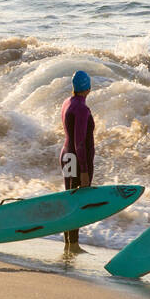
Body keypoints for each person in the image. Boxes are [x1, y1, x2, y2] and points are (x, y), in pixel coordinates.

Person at [60, 70, 94, 255]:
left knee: (69, 200)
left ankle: (69, 243)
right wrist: (84, 170)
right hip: (75, 158)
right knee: (76, 203)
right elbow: (79, 142)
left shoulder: (68, 102)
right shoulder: (82, 109)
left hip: (66, 156)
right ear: (88, 87)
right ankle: (73, 244)